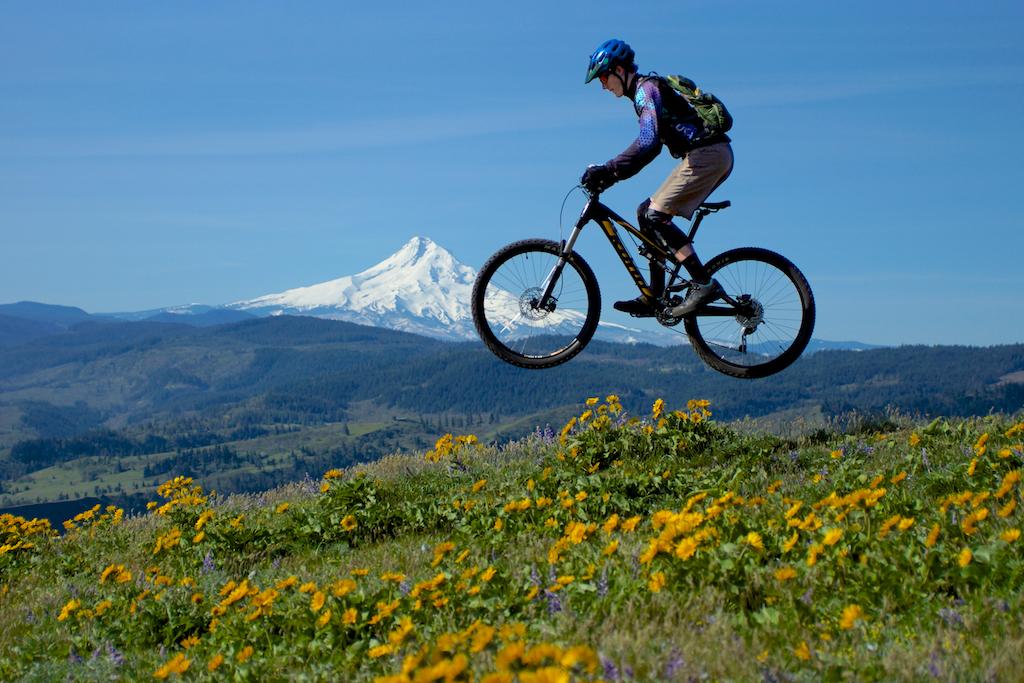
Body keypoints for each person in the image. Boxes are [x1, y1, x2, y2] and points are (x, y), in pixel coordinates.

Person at [580, 38, 733, 317]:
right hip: (704, 155)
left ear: (619, 70)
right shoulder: (644, 93)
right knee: (645, 213)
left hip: (707, 155)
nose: (602, 85)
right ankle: (655, 295)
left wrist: (608, 169)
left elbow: (648, 142)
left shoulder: (645, 90)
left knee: (655, 216)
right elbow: (650, 149)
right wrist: (612, 176)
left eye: (603, 77)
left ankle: (702, 283)